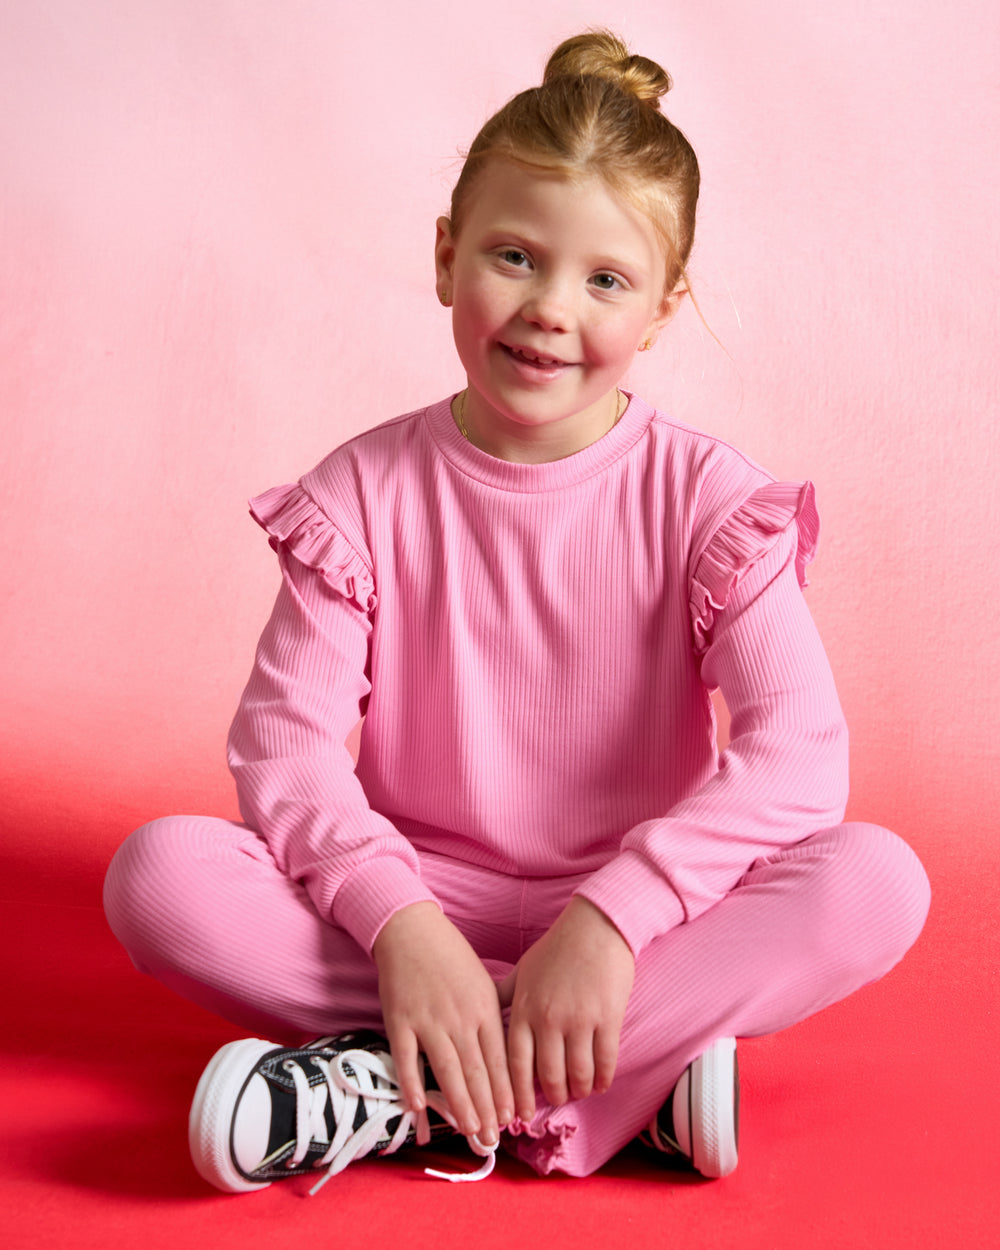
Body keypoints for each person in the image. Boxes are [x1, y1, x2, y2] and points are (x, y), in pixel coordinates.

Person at [104, 29, 930, 1193]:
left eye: (604, 280)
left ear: (658, 309)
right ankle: (617, 1073)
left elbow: (796, 758)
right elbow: (285, 749)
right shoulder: (363, 494)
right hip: (413, 896)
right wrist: (401, 926)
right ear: (446, 256)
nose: (550, 308)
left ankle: (394, 1085)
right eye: (512, 256)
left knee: (876, 879)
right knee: (160, 876)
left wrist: (611, 919)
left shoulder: (707, 501)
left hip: (646, 919)